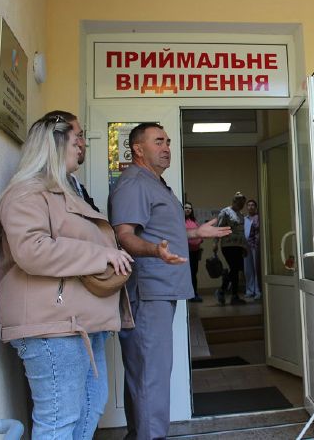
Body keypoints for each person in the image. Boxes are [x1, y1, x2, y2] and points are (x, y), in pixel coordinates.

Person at [0, 115, 134, 439]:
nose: (83, 143)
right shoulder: (27, 193)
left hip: (81, 323)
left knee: (90, 409)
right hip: (52, 326)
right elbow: (31, 250)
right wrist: (102, 255)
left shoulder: (68, 191)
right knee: (59, 420)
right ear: (55, 142)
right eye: (77, 136)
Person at [109, 122, 229, 440]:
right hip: (148, 291)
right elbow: (124, 235)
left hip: (160, 290)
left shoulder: (155, 183)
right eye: (158, 141)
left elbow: (160, 232)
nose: (166, 148)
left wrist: (196, 232)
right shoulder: (134, 183)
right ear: (138, 149)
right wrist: (154, 251)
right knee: (151, 374)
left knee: (147, 372)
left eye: (168, 142)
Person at [41, 110, 100, 212]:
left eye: (80, 135)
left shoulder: (74, 183)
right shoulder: (36, 191)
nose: (80, 144)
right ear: (55, 142)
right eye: (74, 139)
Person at [214, 192, 250, 305]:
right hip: (228, 245)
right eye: (240, 203)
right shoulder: (225, 212)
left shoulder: (240, 214)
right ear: (234, 201)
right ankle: (228, 293)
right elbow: (219, 228)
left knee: (236, 270)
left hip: (239, 245)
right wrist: (215, 243)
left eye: (243, 204)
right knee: (234, 268)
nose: (242, 206)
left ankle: (229, 293)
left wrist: (244, 247)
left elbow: (242, 232)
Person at [185, 202, 203, 302]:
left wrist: (200, 240)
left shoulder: (194, 221)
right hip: (185, 252)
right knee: (187, 274)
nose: (188, 210)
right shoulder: (180, 221)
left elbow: (199, 233)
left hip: (195, 251)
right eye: (186, 208)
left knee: (194, 273)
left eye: (190, 208)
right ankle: (188, 295)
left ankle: (194, 294)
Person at [243, 199, 261, 300]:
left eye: (252, 205)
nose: (250, 207)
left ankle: (258, 291)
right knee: (248, 270)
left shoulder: (258, 218)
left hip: (256, 246)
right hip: (246, 246)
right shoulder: (244, 219)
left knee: (256, 268)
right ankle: (249, 291)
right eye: (249, 205)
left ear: (256, 207)